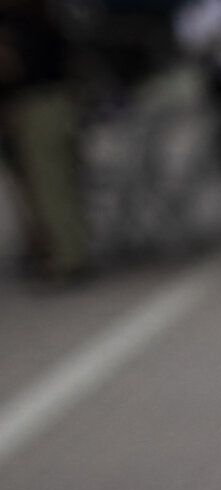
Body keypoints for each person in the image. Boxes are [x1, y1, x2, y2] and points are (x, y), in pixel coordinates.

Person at [0, 0, 89, 283]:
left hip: (39, 106)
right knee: (54, 186)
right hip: (49, 104)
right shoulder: (42, 18)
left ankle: (69, 259)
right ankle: (63, 252)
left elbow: (13, 67)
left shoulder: (26, 24)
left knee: (53, 187)